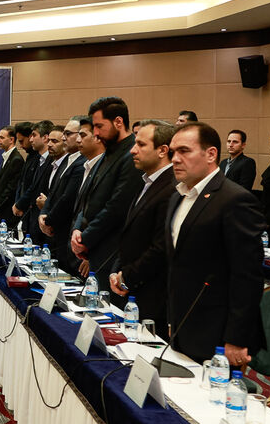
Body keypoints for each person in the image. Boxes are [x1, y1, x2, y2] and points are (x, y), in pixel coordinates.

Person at [166, 122, 266, 365]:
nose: (175, 159)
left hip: (216, 332)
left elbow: (247, 276)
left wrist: (236, 338)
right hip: (181, 323)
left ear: (211, 154)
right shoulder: (177, 196)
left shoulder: (235, 199)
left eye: (184, 151)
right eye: (173, 152)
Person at [109, 119, 177, 323]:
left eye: (140, 144)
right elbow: (131, 236)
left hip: (154, 295)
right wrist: (117, 272)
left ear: (162, 150)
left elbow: (160, 247)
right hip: (133, 288)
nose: (132, 150)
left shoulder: (172, 188)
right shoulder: (147, 182)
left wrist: (126, 277)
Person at [70, 97, 143, 284]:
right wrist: (78, 229)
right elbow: (87, 198)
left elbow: (116, 208)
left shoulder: (131, 155)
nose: (95, 133)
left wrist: (84, 239)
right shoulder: (108, 152)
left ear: (118, 122)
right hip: (95, 249)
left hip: (111, 253)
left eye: (99, 126)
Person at [41, 116, 97, 272]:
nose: (64, 137)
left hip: (70, 234)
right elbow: (53, 192)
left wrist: (48, 220)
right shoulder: (67, 159)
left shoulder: (82, 163)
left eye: (68, 134)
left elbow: (68, 199)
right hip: (59, 234)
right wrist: (43, 215)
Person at [12, 120, 52, 233]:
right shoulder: (36, 158)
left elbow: (33, 187)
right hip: (30, 215)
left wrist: (20, 204)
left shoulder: (49, 161)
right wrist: (17, 203)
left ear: (45, 138)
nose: (31, 140)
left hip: (40, 215)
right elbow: (22, 183)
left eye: (33, 135)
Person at [0, 125, 24, 229]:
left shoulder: (16, 159)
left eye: (2, 138)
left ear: (11, 140)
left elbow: (11, 188)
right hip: (1, 209)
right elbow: (0, 185)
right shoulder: (7, 157)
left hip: (8, 213)